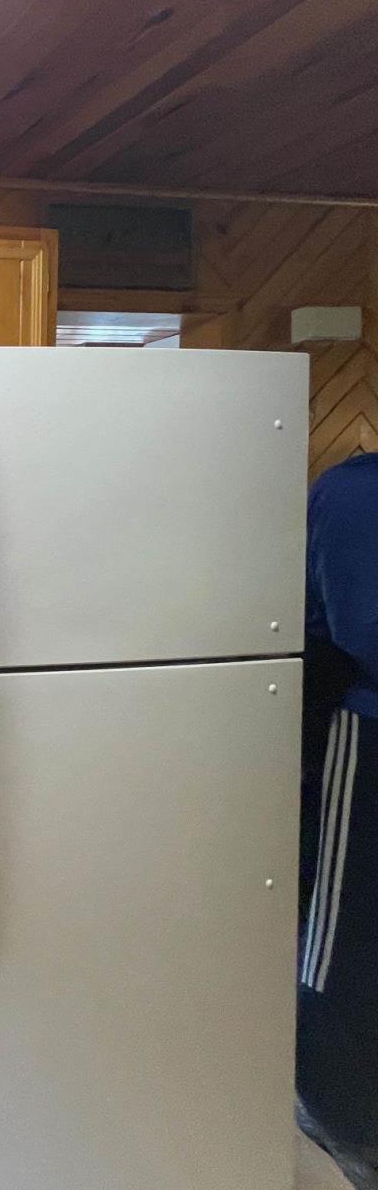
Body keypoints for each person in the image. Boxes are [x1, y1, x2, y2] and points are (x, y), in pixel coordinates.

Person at [299, 451, 378, 1173]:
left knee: (342, 935)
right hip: (363, 726)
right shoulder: (358, 493)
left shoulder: (350, 491)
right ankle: (340, 1118)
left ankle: (341, 1118)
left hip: (355, 719)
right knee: (343, 931)